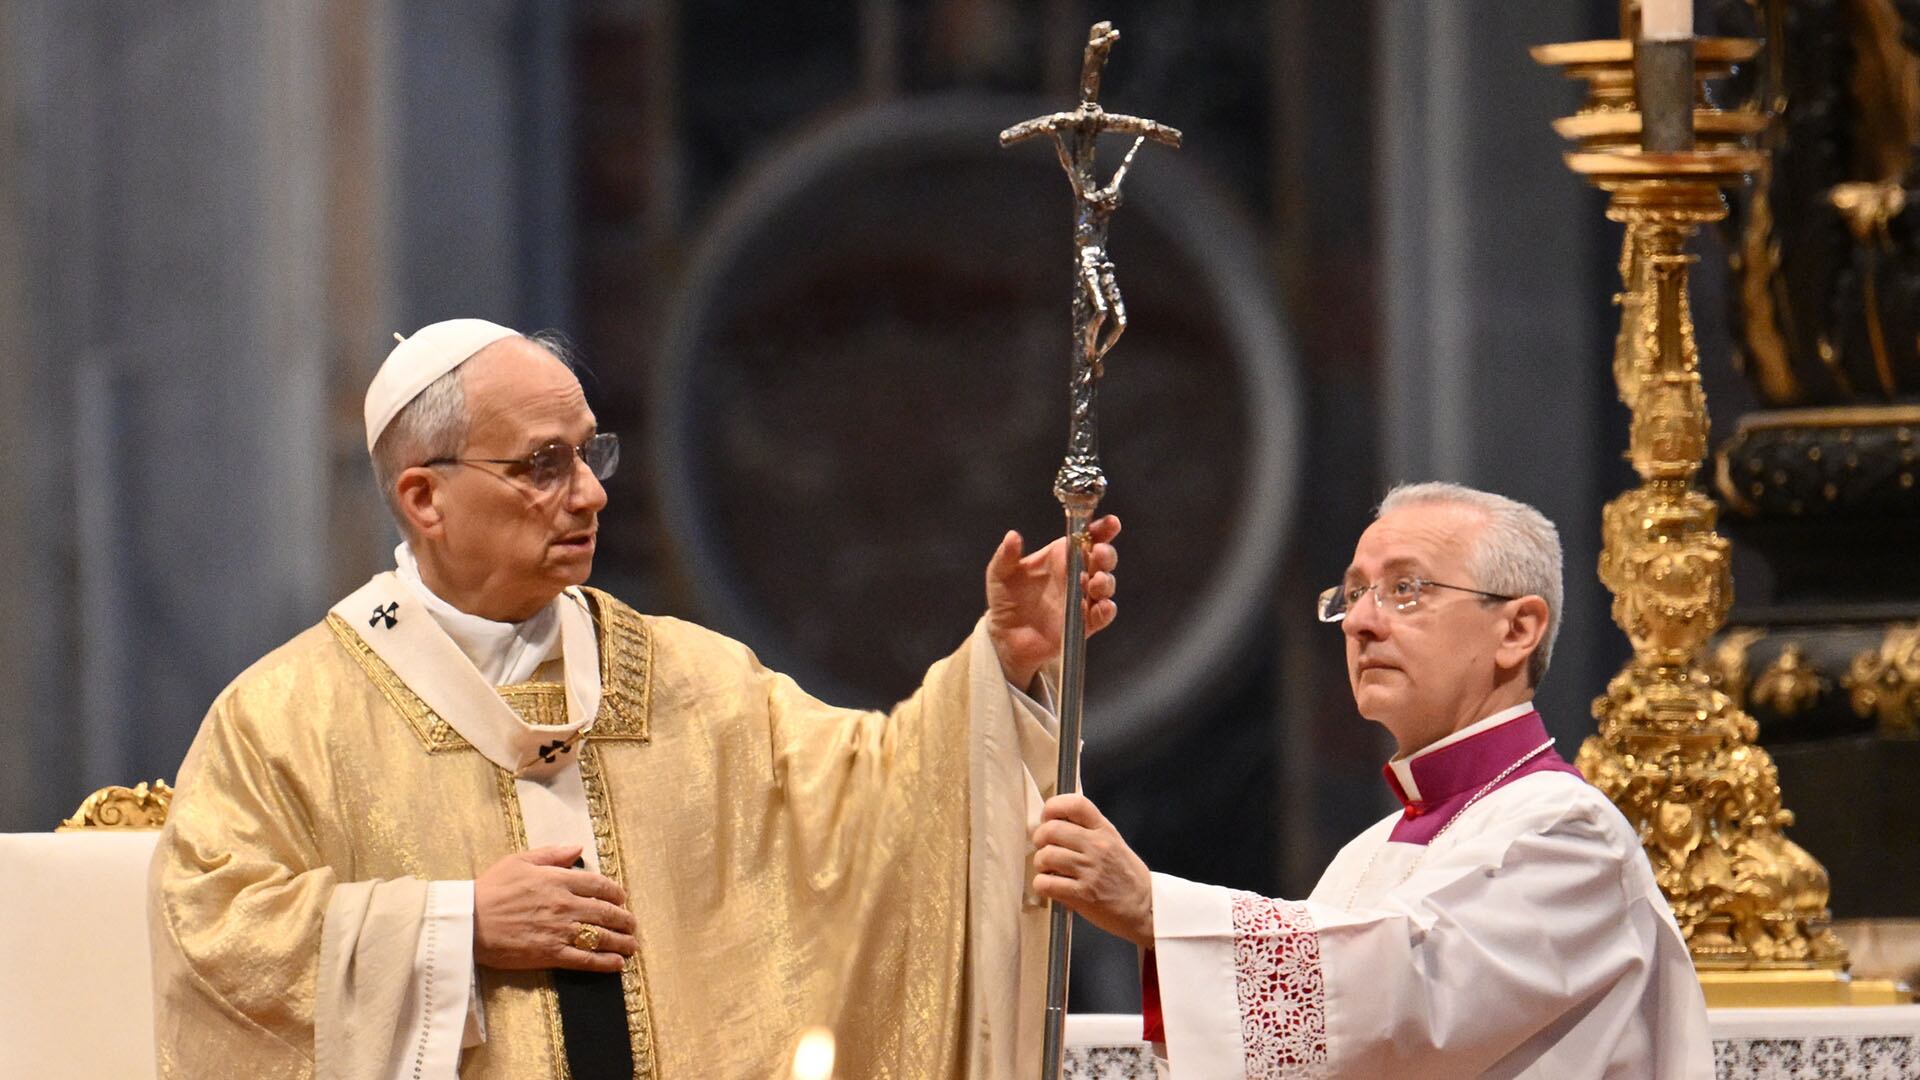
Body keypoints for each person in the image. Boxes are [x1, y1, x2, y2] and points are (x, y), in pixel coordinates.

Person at [149, 318, 1120, 1080]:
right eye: (541, 466)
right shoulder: (288, 719)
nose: (589, 494)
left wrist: (1001, 664)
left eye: (589, 453)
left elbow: (881, 798)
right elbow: (217, 934)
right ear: (423, 498)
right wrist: (456, 924)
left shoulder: (685, 680)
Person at [1031, 482, 1709, 1078]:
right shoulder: (1369, 852)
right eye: (1354, 594)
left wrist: (1154, 910)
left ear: (1517, 630)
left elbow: (1410, 998)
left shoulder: (1568, 833)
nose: (1359, 621)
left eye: (1405, 590)